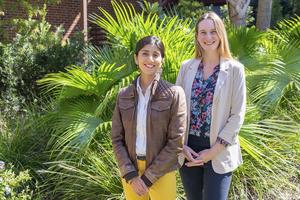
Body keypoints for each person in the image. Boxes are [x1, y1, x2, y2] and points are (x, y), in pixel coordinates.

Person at [176, 12, 246, 200]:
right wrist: (181, 146)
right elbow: (177, 111)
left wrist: (212, 152)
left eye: (213, 31)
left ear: (221, 33)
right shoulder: (186, 67)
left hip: (219, 150)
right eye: (203, 32)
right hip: (189, 150)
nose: (208, 37)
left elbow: (237, 116)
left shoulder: (235, 70)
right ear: (197, 36)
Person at [111, 35, 187, 200]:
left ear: (162, 60)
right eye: (145, 53)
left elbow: (176, 142)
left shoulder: (174, 93)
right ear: (136, 58)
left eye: (156, 54)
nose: (150, 59)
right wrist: (130, 174)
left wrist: (148, 178)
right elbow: (117, 139)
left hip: (162, 171)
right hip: (131, 172)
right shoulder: (123, 95)